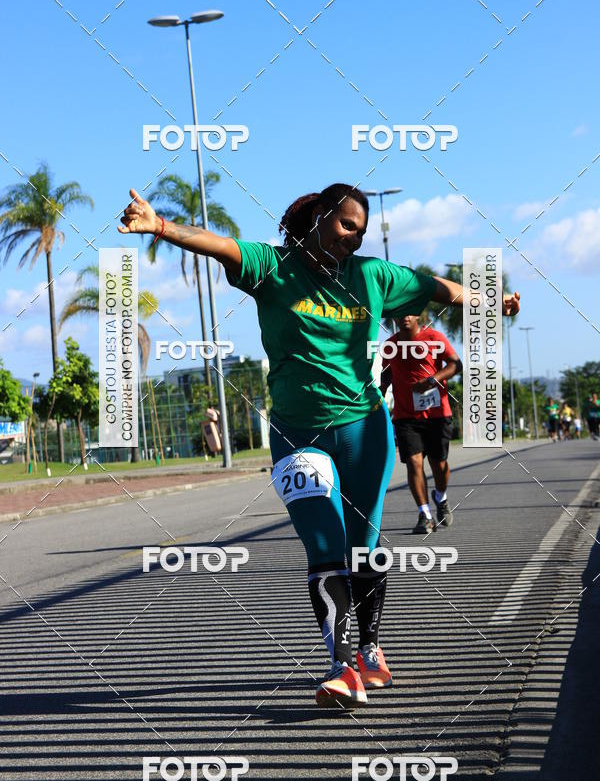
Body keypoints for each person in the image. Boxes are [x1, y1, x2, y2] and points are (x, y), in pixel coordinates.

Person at [118, 183, 521, 709]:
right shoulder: (271, 267)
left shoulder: (373, 276)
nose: (353, 239)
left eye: (361, 231)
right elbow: (218, 244)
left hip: (364, 430)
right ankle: (340, 664)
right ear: (318, 217)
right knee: (324, 543)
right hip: (295, 432)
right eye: (346, 225)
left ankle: (371, 650)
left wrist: (493, 300)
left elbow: (442, 288)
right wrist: (161, 227)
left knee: (364, 546)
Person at [379, 316, 462, 534]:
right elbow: (388, 370)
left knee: (439, 464)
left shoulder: (434, 337)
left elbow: (456, 364)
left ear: (418, 315)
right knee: (414, 463)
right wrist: (381, 389)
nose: (405, 317)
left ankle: (440, 497)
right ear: (395, 317)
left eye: (410, 312)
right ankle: (425, 515)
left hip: (437, 415)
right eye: (401, 313)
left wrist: (431, 380)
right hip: (406, 417)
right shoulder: (391, 345)